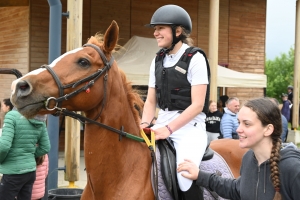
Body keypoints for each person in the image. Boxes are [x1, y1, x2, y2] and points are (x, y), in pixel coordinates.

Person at [141, 4, 209, 199]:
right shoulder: (157, 60)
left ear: (178, 31)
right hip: (161, 123)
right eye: (155, 29)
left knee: (185, 176)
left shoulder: (195, 58)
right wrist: (144, 124)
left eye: (160, 28)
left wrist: (169, 129)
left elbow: (197, 105)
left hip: (190, 128)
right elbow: (150, 101)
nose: (155, 33)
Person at [177, 97, 300, 200]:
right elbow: (237, 189)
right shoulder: (248, 159)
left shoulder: (292, 167)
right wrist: (200, 175)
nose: (238, 129)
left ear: (268, 129)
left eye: (246, 124)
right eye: (238, 122)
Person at [0, 108, 51, 200]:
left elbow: (4, 146)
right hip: (30, 172)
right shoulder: (40, 119)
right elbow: (45, 147)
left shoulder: (11, 116)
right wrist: (29, 154)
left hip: (13, 172)